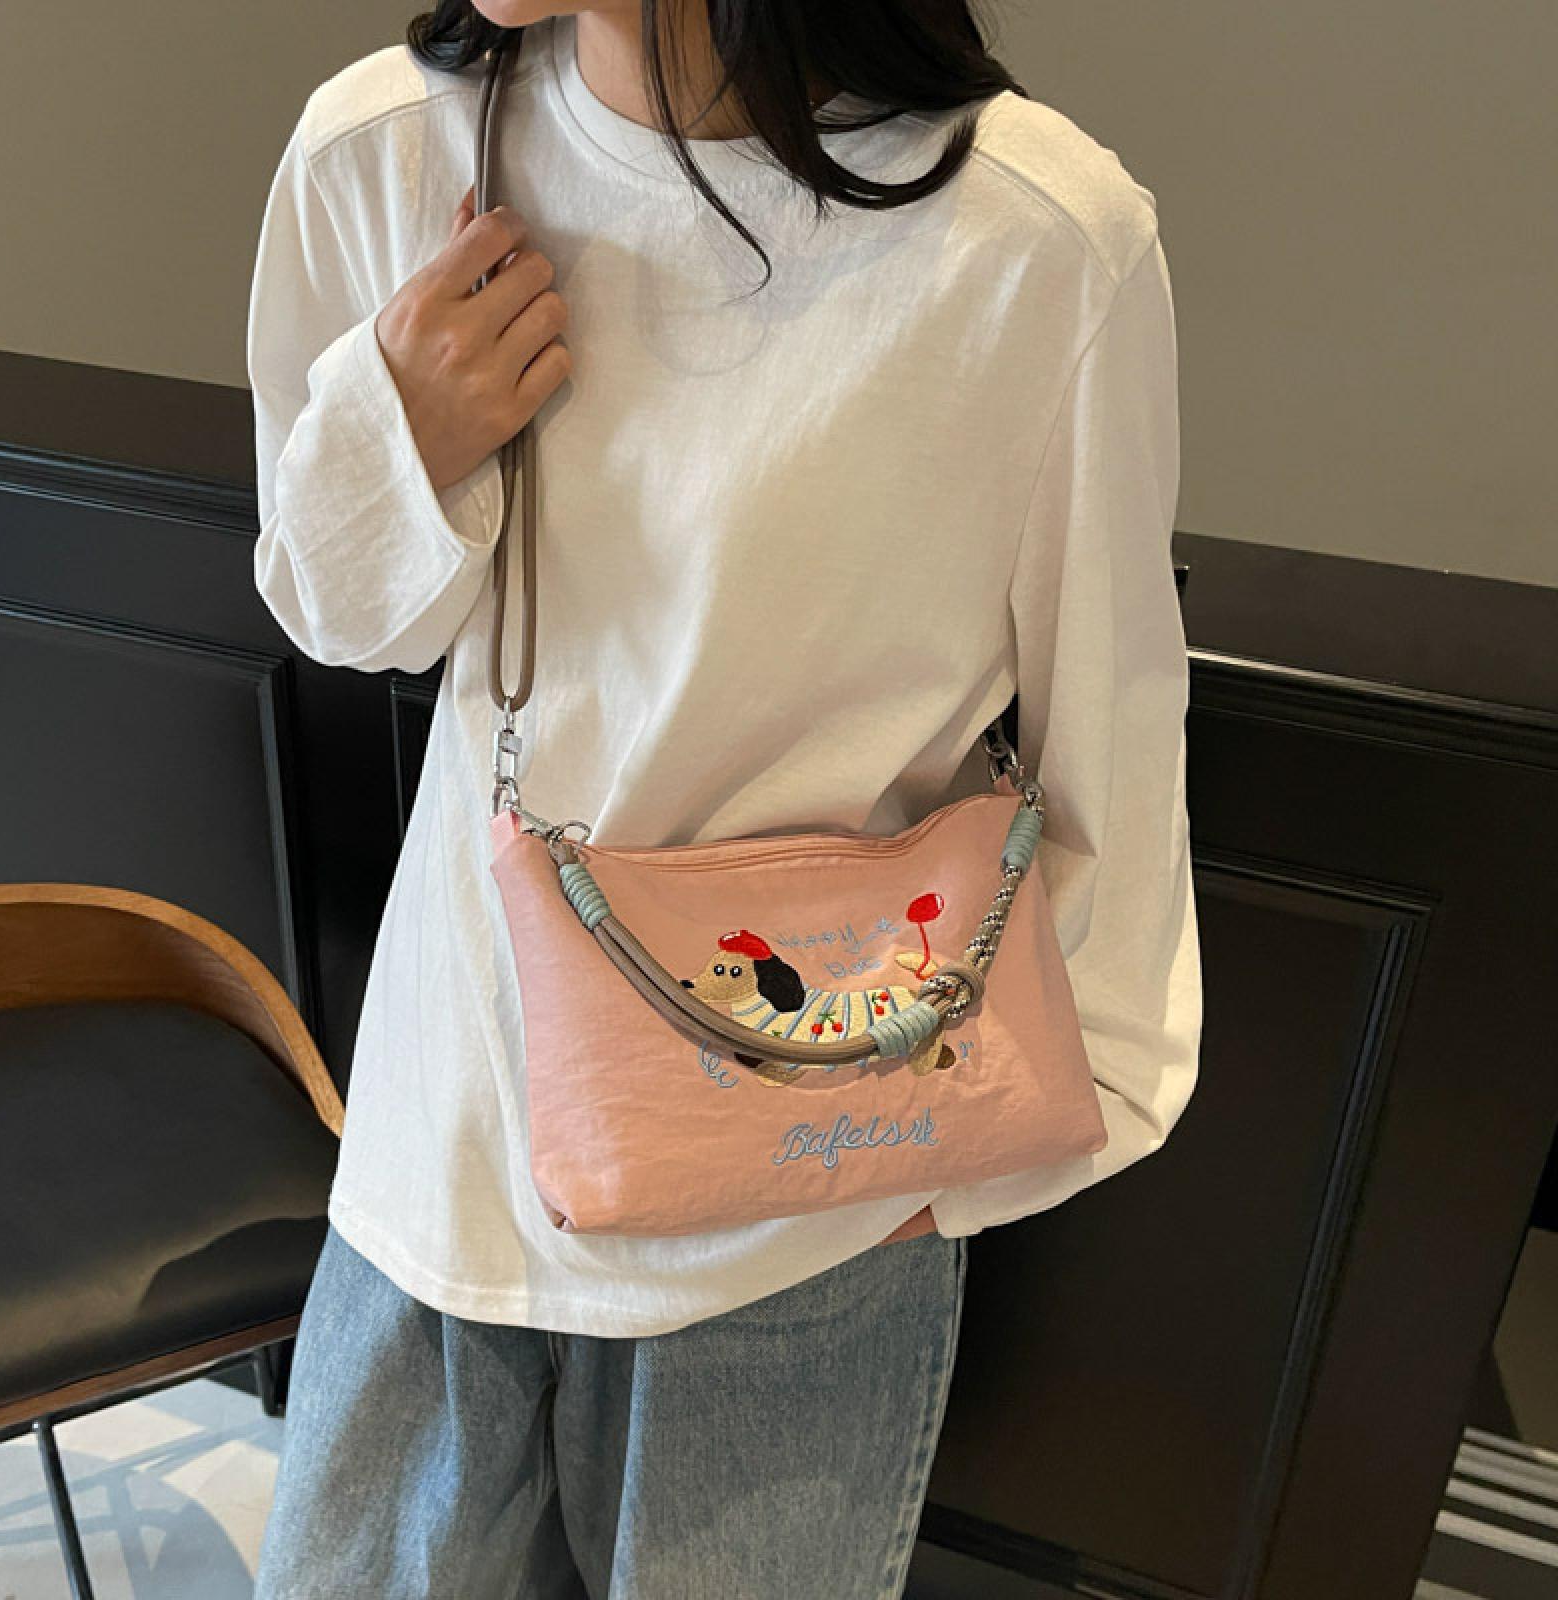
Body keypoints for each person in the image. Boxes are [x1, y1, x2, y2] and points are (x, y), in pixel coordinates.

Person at [246, 0, 1202, 1594]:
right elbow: (348, 623)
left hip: (813, 1199)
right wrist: (399, 434)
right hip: (452, 1131)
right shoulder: (386, 147)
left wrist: (967, 1168)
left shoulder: (1034, 240)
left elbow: (1112, 728)